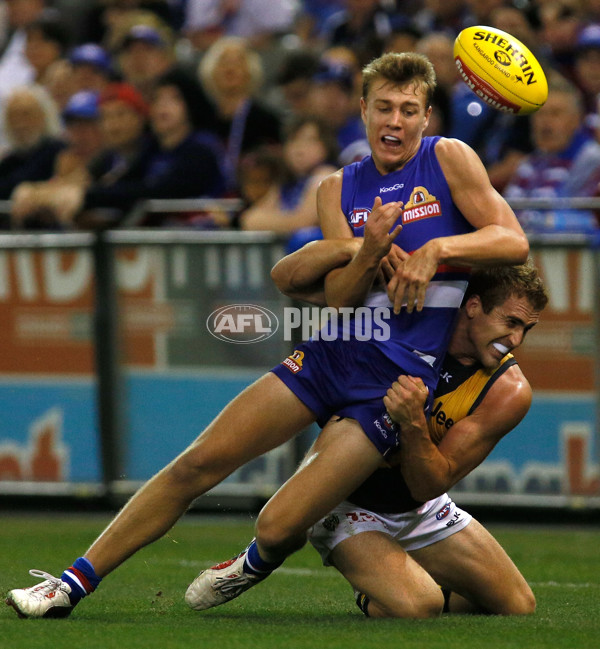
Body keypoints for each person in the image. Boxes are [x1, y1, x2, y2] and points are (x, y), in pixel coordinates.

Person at [5, 51, 528, 619]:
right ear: (363, 111)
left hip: (396, 381)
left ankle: (256, 560)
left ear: (426, 118)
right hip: (334, 353)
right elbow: (340, 298)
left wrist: (436, 249)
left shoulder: (449, 159)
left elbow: (512, 239)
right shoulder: (339, 188)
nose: (394, 121)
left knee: (280, 526)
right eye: (383, 108)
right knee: (196, 465)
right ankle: (67, 586)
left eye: (408, 110)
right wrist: (369, 248)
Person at [268, 244, 547, 617]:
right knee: (420, 607)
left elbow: (429, 485)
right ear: (473, 306)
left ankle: (404, 582)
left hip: (421, 506)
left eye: (525, 329)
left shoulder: (508, 390)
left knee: (517, 606)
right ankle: (387, 589)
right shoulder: (403, 323)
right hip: (347, 500)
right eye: (510, 323)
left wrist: (412, 426)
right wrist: (357, 247)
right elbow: (292, 280)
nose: (516, 341)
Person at [239, 115, 338, 234]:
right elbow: (250, 218)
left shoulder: (327, 174)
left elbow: (303, 223)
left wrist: (268, 221)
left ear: (326, 146)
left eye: (310, 140)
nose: (299, 148)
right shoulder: (288, 180)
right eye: (293, 140)